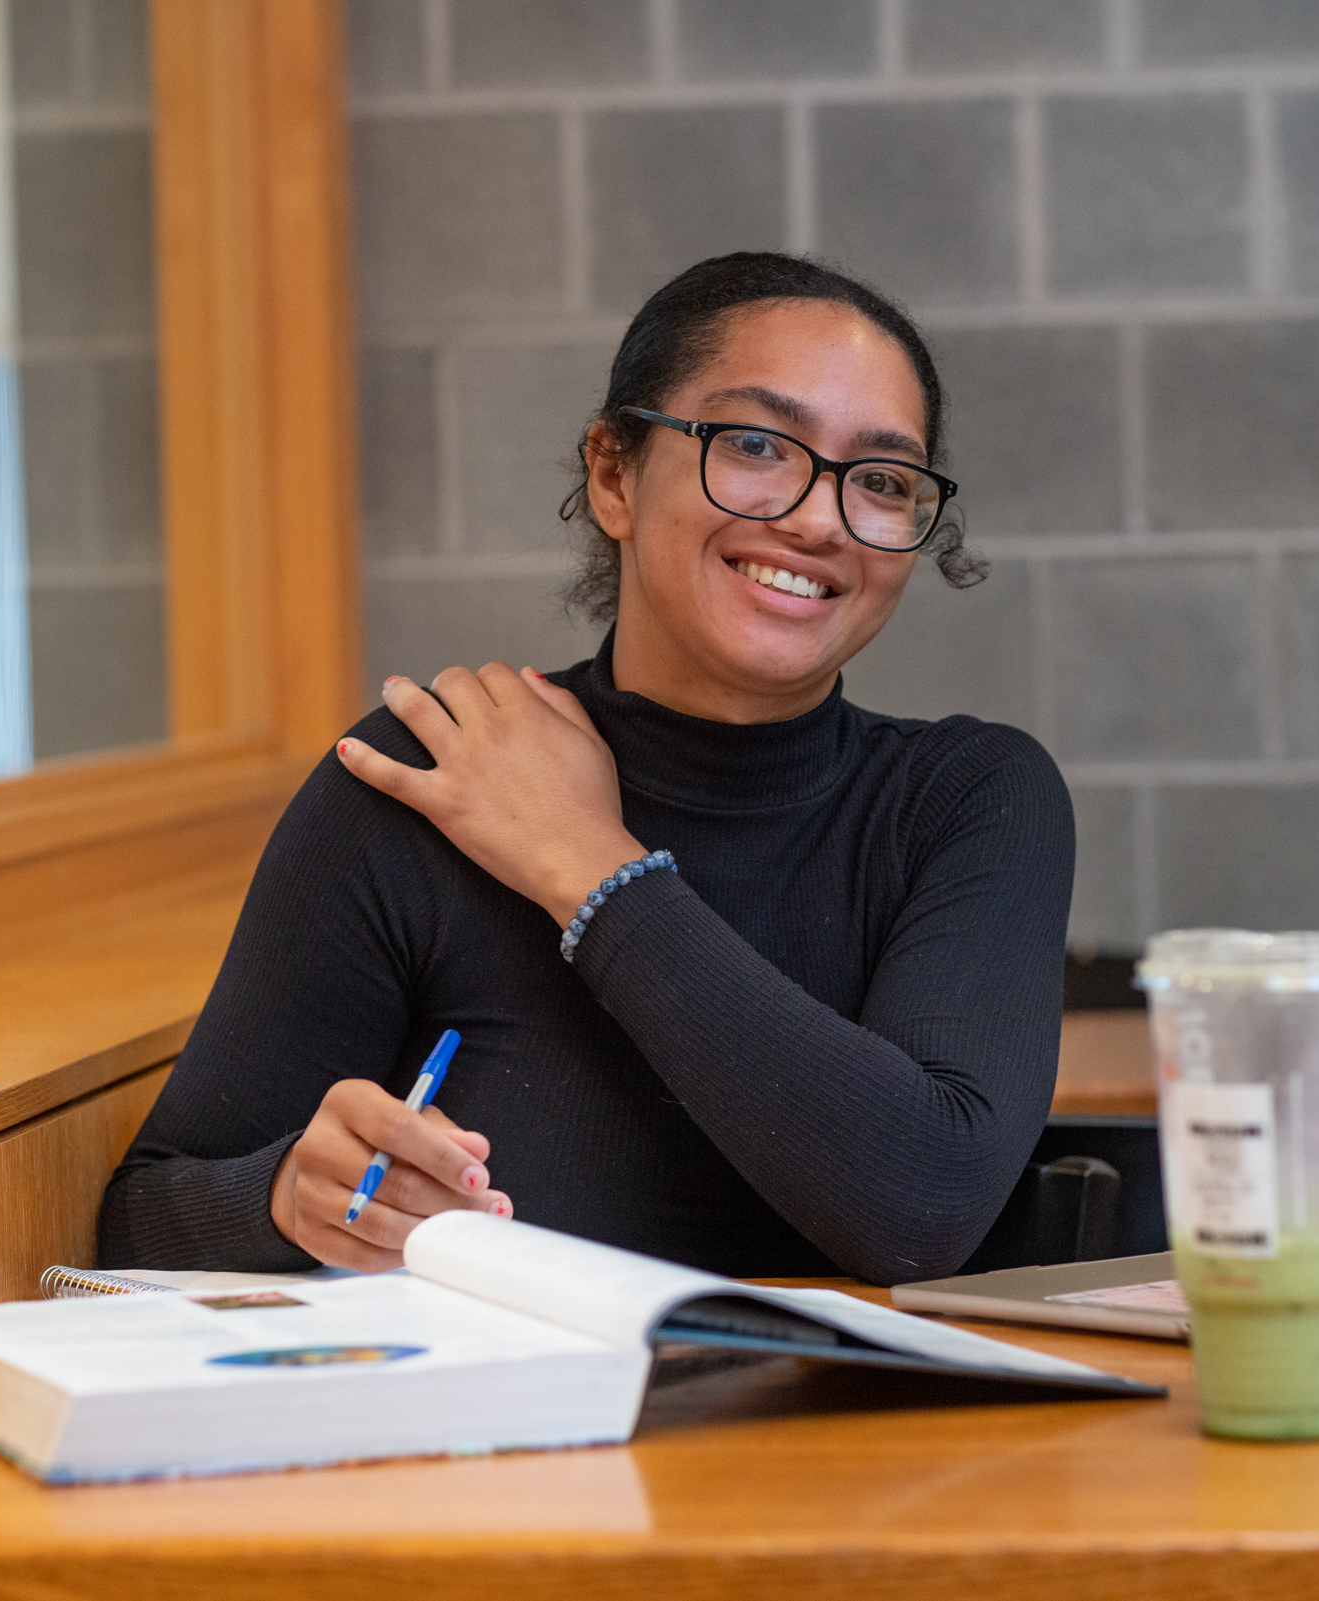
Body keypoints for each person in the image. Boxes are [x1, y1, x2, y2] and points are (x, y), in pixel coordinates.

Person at [98, 252, 1074, 1287]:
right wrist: (285, 1194)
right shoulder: (423, 781)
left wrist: (590, 868)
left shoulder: (969, 799)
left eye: (880, 479)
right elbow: (141, 1219)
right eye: (753, 443)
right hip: (509, 1443)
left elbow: (920, 1204)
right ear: (613, 473)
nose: (820, 517)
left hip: (869, 1448)